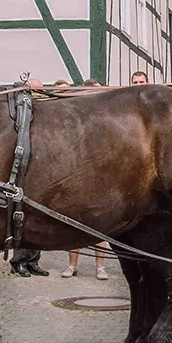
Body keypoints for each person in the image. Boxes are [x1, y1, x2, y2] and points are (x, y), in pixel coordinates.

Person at [64, 79, 110, 280]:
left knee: (99, 226)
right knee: (73, 223)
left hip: (100, 178)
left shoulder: (106, 120)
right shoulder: (78, 120)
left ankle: (101, 267)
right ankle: (72, 265)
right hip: (78, 176)